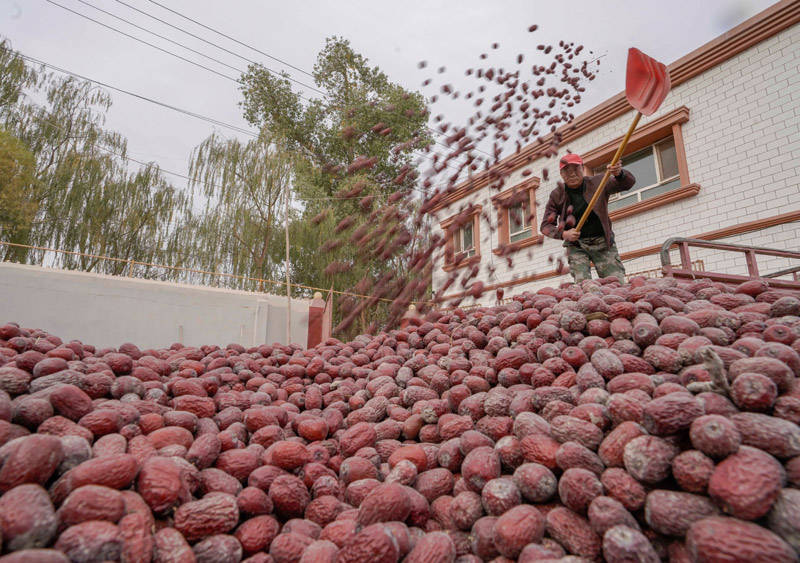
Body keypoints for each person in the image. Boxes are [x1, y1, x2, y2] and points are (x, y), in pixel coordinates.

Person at [540, 153, 635, 283]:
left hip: (603, 242)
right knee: (583, 285)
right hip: (577, 245)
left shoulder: (598, 182)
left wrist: (619, 174)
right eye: (566, 171)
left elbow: (627, 183)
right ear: (561, 174)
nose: (572, 174)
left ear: (583, 169)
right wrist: (564, 234)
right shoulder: (557, 195)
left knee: (615, 284)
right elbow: (545, 226)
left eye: (575, 169)